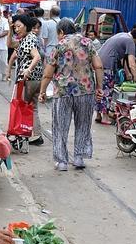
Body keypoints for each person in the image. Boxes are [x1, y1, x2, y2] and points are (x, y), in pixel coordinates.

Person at [38, 18, 103, 171]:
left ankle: (62, 162)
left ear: (61, 32)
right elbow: (98, 66)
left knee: (60, 126)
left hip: (62, 92)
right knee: (83, 124)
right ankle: (79, 158)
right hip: (85, 91)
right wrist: (99, 87)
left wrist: (42, 91)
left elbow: (48, 73)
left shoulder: (59, 46)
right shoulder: (88, 43)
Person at [96, 27, 136, 124]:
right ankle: (104, 117)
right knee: (107, 92)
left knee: (101, 89)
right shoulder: (130, 41)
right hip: (108, 65)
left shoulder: (123, 35)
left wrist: (128, 73)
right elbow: (132, 64)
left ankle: (98, 115)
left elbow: (123, 59)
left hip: (100, 63)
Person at [6, 14, 44, 145]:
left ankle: (20, 134)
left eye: (19, 26)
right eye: (15, 27)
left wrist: (28, 69)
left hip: (27, 77)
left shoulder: (28, 39)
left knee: (21, 106)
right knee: (32, 107)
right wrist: (10, 30)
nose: (16, 29)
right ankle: (36, 135)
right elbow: (10, 44)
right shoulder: (29, 38)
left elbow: (37, 56)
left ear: (26, 26)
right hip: (38, 78)